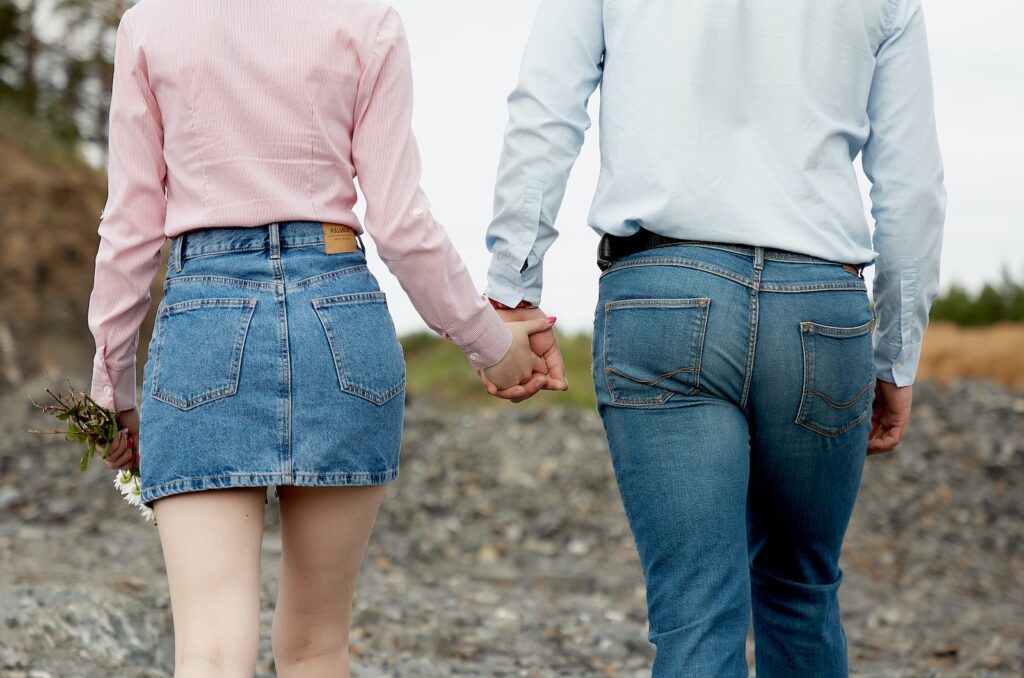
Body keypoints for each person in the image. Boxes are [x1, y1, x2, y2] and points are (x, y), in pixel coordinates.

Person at [86, 1, 551, 675]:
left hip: (205, 326)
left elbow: (129, 227)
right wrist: (490, 343)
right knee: (317, 644)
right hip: (340, 320)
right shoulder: (366, 19)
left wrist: (113, 387)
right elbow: (400, 223)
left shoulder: (151, 23)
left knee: (211, 650)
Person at [484, 0, 945, 675]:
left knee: (696, 611)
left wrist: (513, 292)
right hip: (820, 308)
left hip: (663, 292)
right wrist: (896, 353)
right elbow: (913, 186)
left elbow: (545, 110)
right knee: (802, 591)